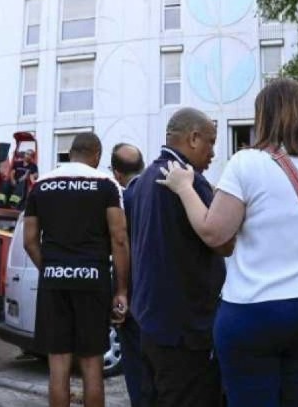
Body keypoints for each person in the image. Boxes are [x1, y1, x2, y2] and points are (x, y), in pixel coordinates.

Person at [159, 78, 298, 407]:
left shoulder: (246, 164)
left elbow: (214, 232)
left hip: (250, 314)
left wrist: (184, 187)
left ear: (264, 118)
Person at [124, 108, 228, 407]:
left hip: (151, 322)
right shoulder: (187, 181)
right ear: (193, 138)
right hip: (185, 328)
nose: (213, 152)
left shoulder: (143, 180)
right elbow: (220, 238)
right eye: (211, 142)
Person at [22, 133, 129, 407]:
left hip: (54, 283)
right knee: (92, 365)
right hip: (93, 282)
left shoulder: (41, 185)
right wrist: (121, 290)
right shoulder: (107, 185)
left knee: (58, 367)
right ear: (96, 155)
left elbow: (29, 241)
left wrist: (51, 269)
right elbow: (119, 238)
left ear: (70, 154)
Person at [110, 142, 155, 407]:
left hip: (135, 296)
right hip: (164, 298)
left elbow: (119, 247)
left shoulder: (123, 202)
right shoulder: (162, 193)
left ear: (116, 173)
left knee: (138, 370)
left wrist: (121, 292)